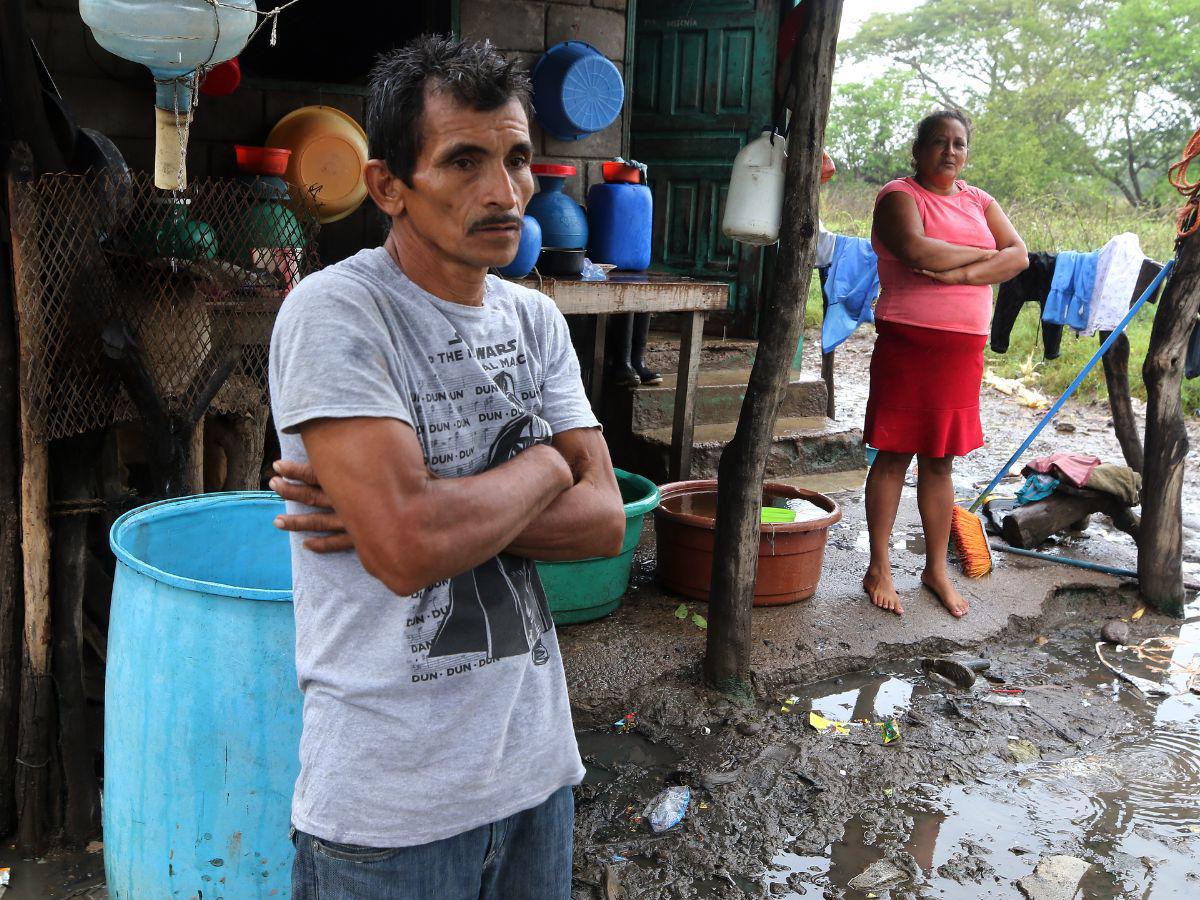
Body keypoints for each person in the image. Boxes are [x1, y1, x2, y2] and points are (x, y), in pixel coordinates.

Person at [266, 35, 626, 899]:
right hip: (389, 811)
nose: (504, 193)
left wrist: (425, 511)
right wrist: (546, 465)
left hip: (535, 777)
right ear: (389, 185)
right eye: (464, 161)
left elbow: (608, 520)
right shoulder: (340, 313)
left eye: (516, 159)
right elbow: (407, 551)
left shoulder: (534, 321)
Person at [864, 110, 1028, 618]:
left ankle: (935, 568)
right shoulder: (899, 196)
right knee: (893, 453)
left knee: (940, 459)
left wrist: (955, 275)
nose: (950, 151)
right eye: (939, 142)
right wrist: (983, 259)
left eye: (958, 143)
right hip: (909, 341)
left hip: (962, 348)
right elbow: (914, 248)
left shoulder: (980, 200)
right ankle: (880, 566)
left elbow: (1019, 256)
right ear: (918, 150)